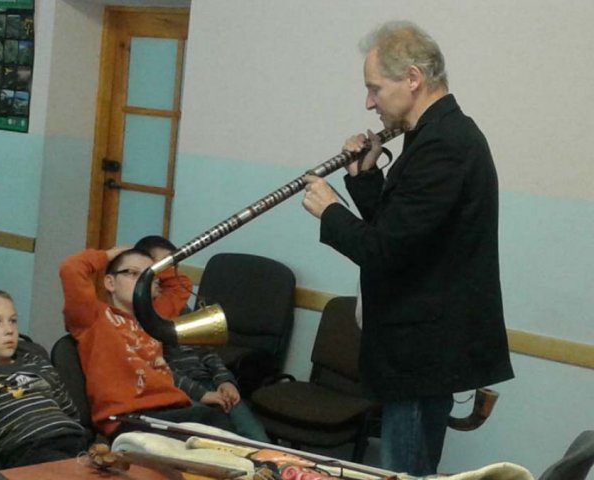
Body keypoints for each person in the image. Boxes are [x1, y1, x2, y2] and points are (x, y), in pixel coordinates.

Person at [302, 21, 514, 476]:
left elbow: (384, 251)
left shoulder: (445, 144)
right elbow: (407, 233)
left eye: (375, 88)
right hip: (417, 348)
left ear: (413, 78)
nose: (369, 102)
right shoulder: (432, 136)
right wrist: (365, 176)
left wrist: (330, 210)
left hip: (422, 351)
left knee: (405, 472)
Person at [59, 247, 233, 438]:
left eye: (147, 277)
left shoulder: (155, 319)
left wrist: (155, 267)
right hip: (129, 418)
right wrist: (110, 254)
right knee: (212, 428)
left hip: (174, 409)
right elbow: (72, 268)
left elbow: (180, 284)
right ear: (110, 282)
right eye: (133, 273)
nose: (142, 282)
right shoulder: (92, 317)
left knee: (218, 423)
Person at [135, 235, 270, 442]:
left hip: (210, 383)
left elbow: (206, 350)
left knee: (257, 440)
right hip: (179, 392)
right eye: (163, 267)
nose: (168, 274)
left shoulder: (180, 306)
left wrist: (225, 381)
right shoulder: (140, 316)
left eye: (173, 266)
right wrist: (202, 394)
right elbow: (159, 370)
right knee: (220, 444)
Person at [0, 289, 88, 470]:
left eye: (13, 321)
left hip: (72, 437)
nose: (9, 330)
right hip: (25, 447)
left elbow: (69, 411)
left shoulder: (37, 362)